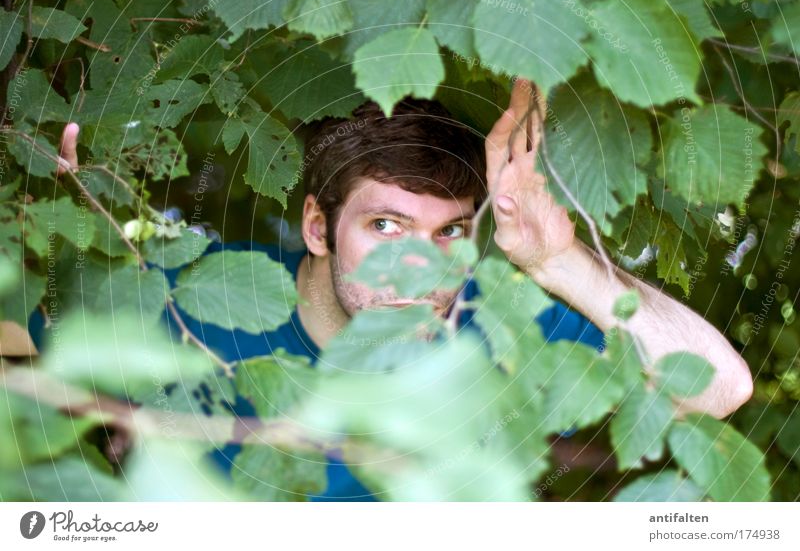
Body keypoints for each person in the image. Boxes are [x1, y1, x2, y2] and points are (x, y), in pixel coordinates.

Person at [48, 79, 753, 500]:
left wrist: (560, 259)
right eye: (386, 224)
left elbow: (719, 388)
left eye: (448, 231)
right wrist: (50, 232)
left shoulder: (495, 328)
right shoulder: (195, 296)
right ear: (319, 226)